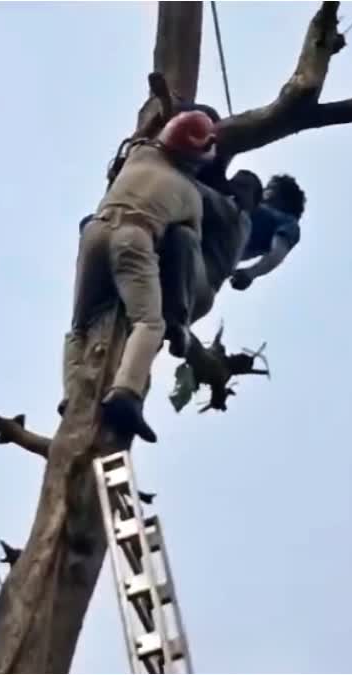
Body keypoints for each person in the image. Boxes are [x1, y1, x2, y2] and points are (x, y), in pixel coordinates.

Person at [61, 109, 216, 443]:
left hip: (95, 231)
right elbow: (185, 250)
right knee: (149, 322)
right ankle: (125, 393)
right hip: (135, 237)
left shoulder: (138, 153)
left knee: (80, 326)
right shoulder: (191, 195)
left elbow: (139, 137)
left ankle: (75, 394)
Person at [158, 171, 305, 356]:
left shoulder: (278, 219)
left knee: (186, 204)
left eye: (270, 189)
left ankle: (178, 321)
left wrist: (251, 273)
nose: (266, 193)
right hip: (193, 253)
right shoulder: (229, 201)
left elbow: (277, 252)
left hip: (205, 265)